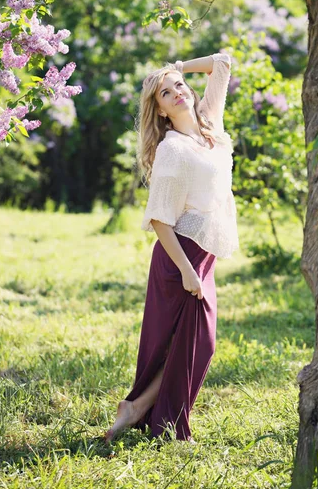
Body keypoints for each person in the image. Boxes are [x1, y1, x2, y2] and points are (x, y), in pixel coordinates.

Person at [104, 52, 239, 444]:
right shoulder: (172, 149)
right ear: (160, 111)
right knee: (200, 341)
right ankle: (165, 424)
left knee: (190, 343)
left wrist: (178, 67)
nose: (177, 93)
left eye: (179, 86)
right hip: (180, 255)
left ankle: (138, 409)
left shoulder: (210, 123)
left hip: (203, 252)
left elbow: (223, 63)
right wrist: (185, 269)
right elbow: (161, 219)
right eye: (166, 93)